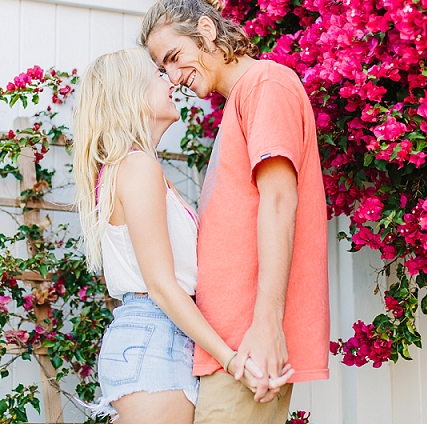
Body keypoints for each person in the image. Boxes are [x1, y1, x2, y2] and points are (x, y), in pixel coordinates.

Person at [139, 0, 330, 424]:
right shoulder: (242, 100)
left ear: (206, 31)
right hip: (226, 347)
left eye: (174, 57)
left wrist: (266, 328)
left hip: (248, 345)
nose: (174, 77)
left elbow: (280, 204)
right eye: (163, 69)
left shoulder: (267, 84)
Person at [72, 48, 294, 424]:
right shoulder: (137, 167)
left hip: (156, 334)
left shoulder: (137, 167)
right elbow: (161, 285)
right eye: (157, 76)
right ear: (132, 94)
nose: (170, 81)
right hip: (155, 333)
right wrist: (231, 359)